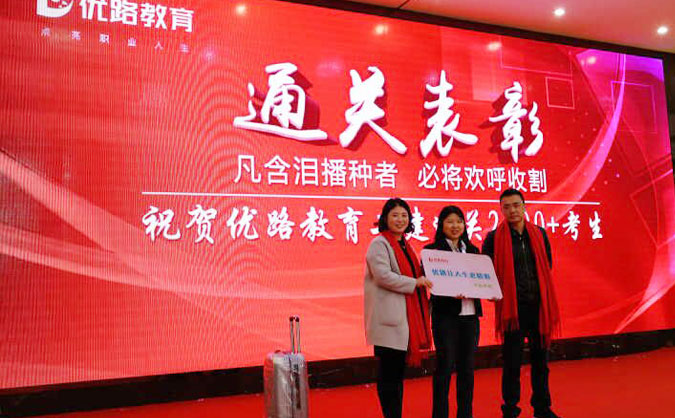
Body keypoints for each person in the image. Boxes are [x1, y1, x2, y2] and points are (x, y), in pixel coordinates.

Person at [482, 189, 562, 418]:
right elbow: (485, 272)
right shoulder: (493, 238)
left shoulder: (539, 234)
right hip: (512, 311)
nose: (512, 210)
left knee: (541, 362)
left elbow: (547, 265)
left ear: (524, 206)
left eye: (516, 205)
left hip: (538, 307)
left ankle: (542, 408)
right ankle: (510, 410)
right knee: (512, 363)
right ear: (501, 210)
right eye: (506, 207)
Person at [364, 198, 434, 418]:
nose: (400, 220)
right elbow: (383, 276)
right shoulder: (379, 244)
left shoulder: (405, 244)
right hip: (388, 322)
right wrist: (415, 283)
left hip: (403, 322)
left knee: (396, 377)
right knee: (389, 377)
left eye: (404, 215)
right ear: (385, 218)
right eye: (395, 215)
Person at [424, 206, 482, 418]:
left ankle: (465, 414)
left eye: (459, 221)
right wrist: (450, 291)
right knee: (445, 367)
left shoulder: (473, 251)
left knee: (467, 369)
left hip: (470, 317)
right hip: (445, 317)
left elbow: (482, 280)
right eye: (450, 221)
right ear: (441, 225)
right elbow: (430, 282)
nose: (455, 226)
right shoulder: (432, 252)